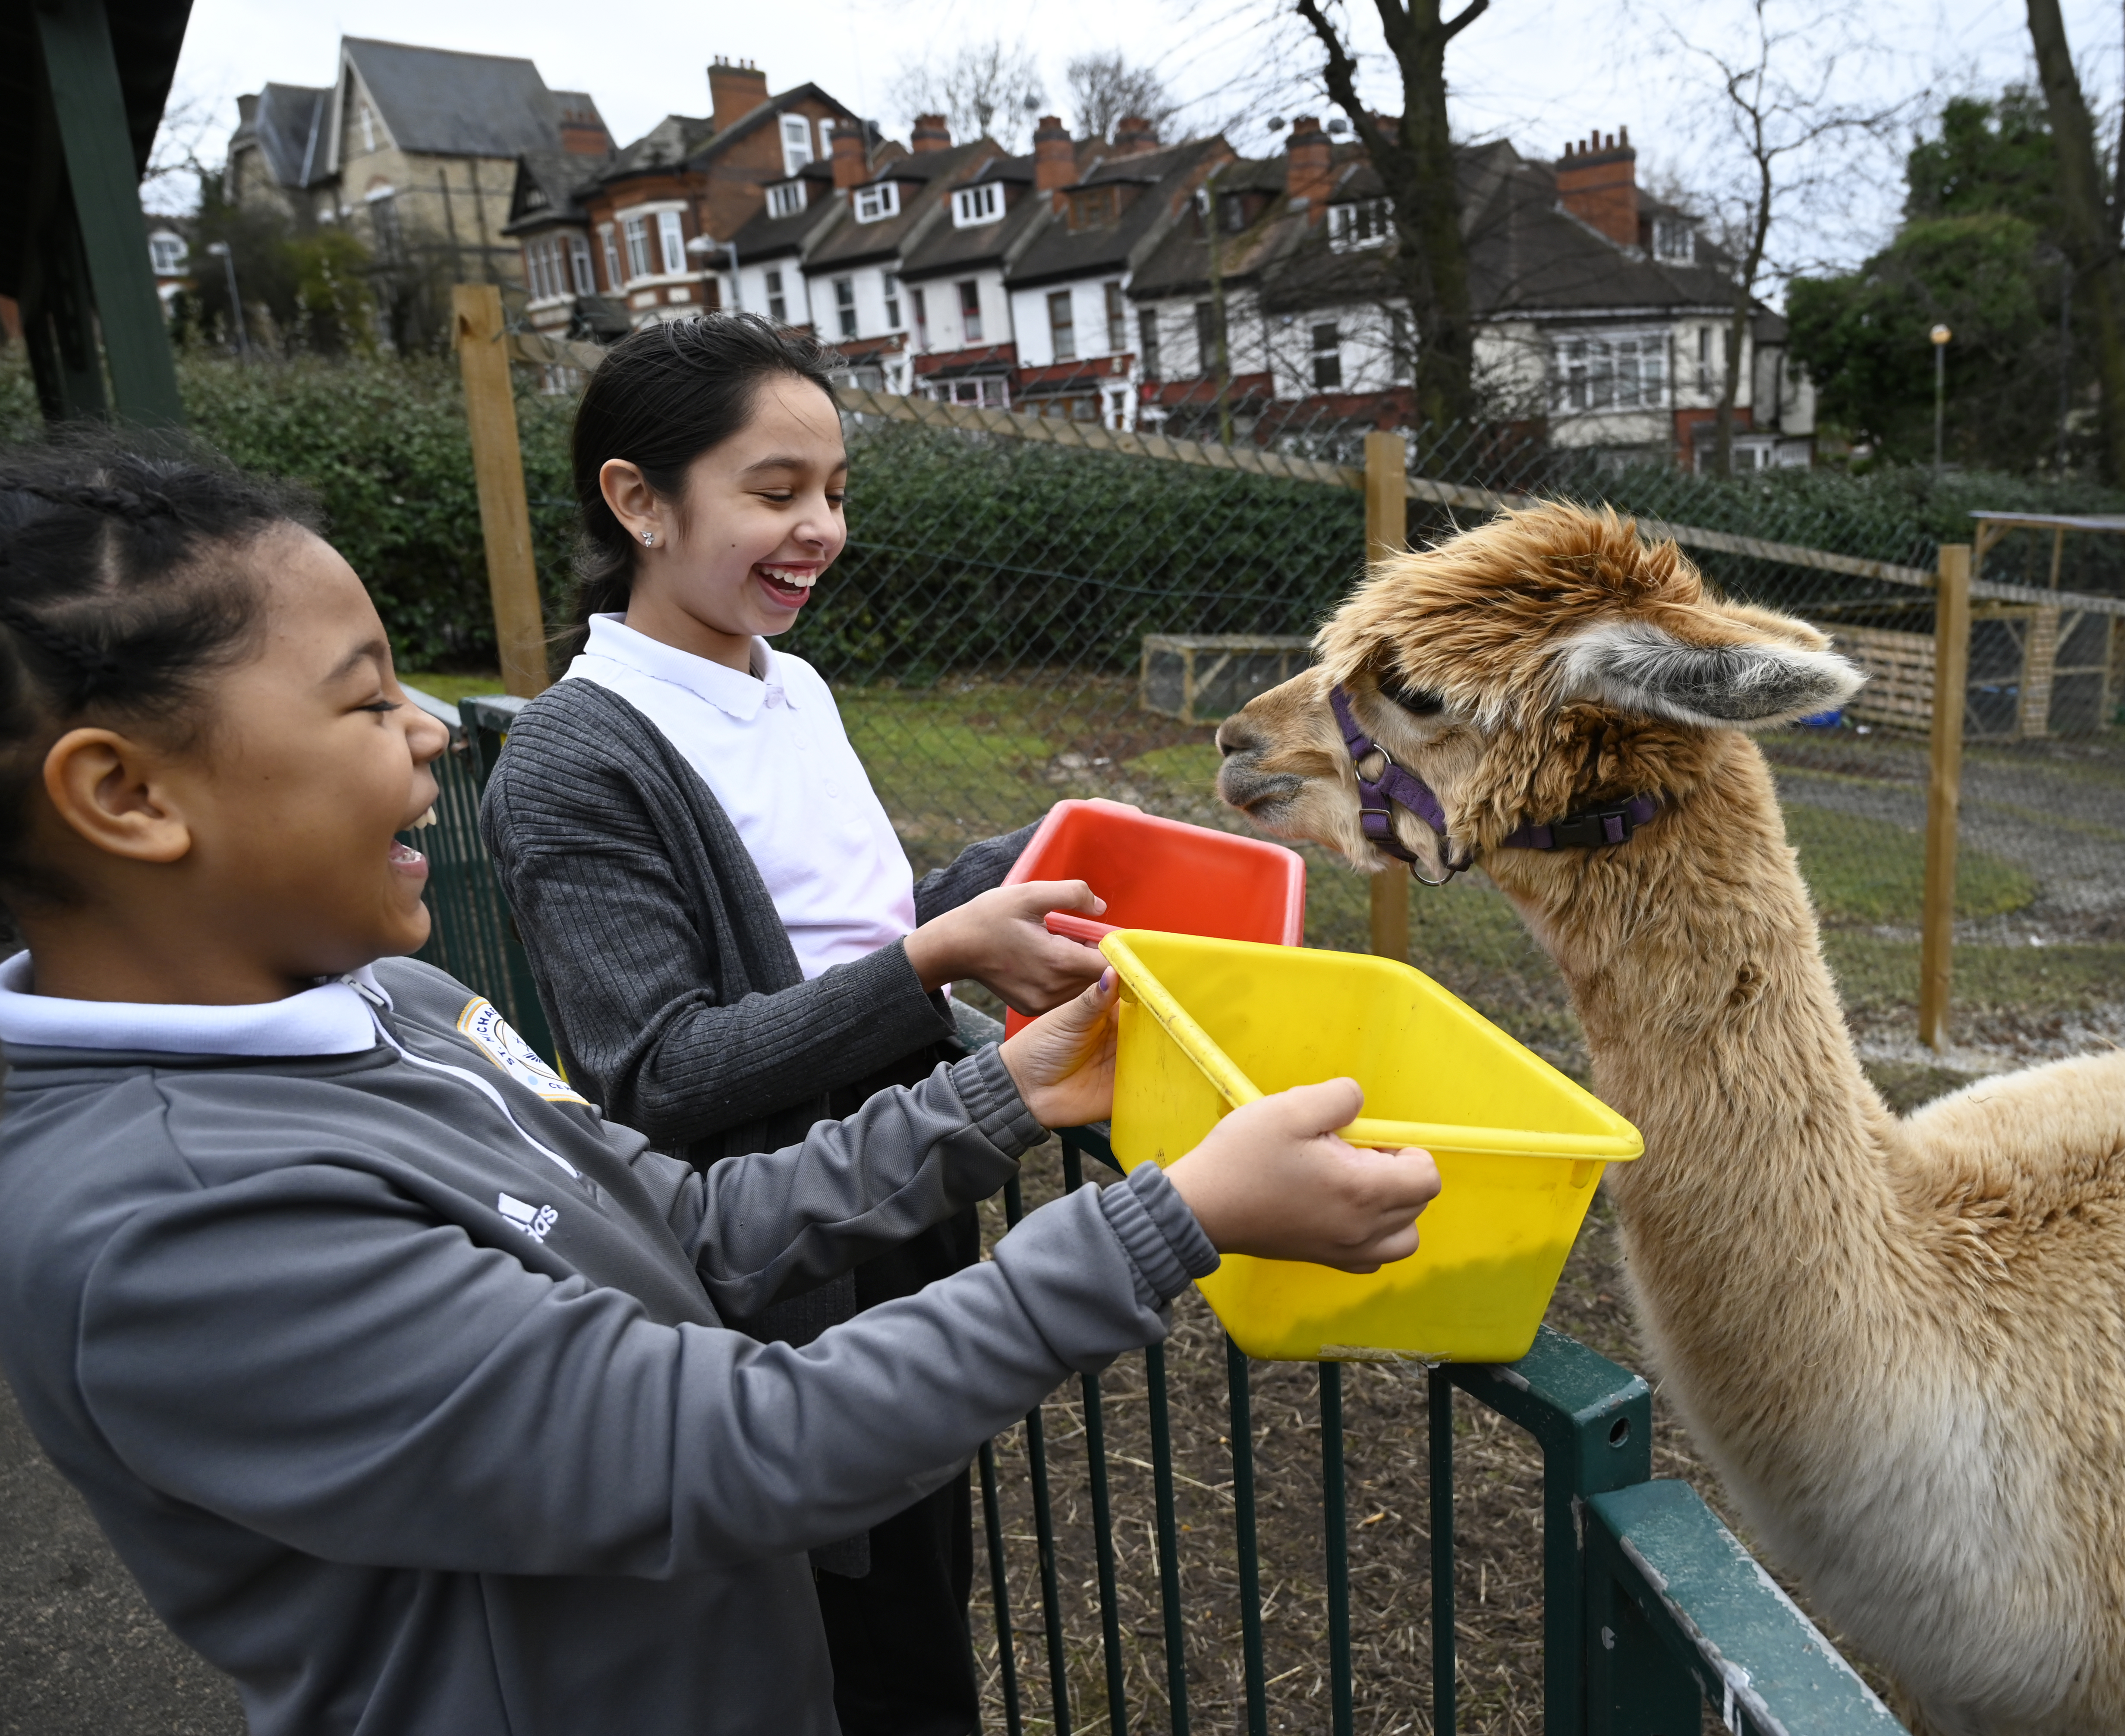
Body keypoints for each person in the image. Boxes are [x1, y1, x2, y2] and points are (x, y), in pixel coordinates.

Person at [0, 438, 1441, 1736]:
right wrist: (1166, 1223)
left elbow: (671, 1228)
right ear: (127, 796)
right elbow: (737, 1446)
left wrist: (996, 1097)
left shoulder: (397, 1005)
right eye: (367, 700)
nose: (434, 726)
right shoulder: (177, 1233)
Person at [477, 314, 1101, 1735]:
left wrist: (1022, 864)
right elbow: (661, 1069)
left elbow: (855, 936)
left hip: (920, 1162)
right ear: (637, 501)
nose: (819, 528)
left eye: (834, 491)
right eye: (775, 491)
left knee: (920, 1570)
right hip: (786, 1245)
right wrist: (940, 954)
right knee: (869, 1643)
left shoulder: (788, 681)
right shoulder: (576, 759)